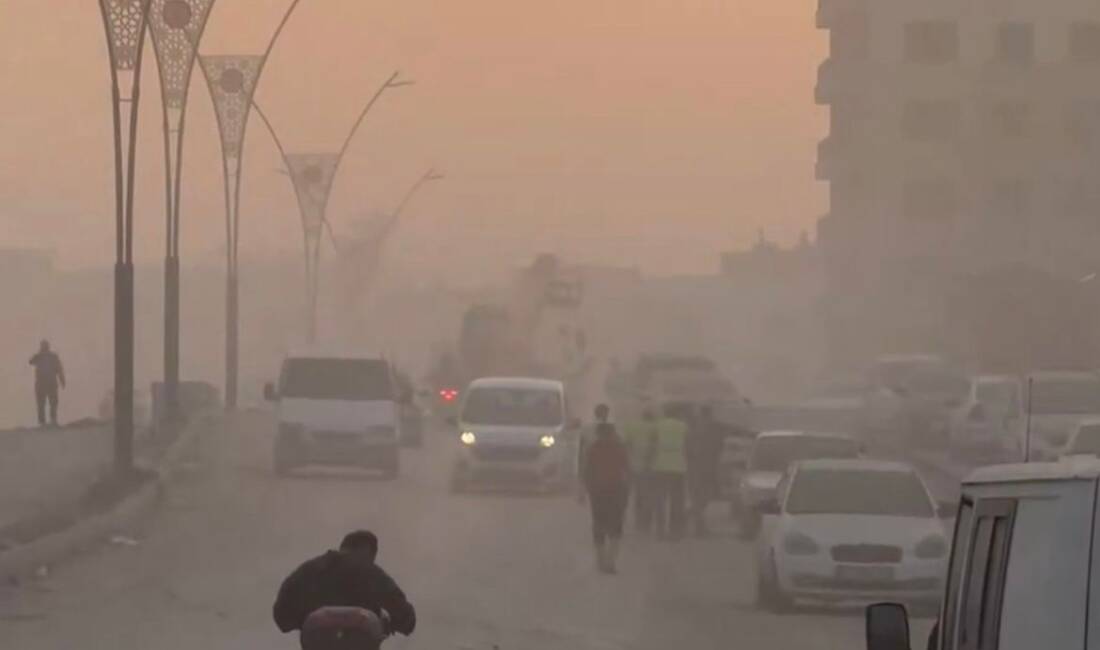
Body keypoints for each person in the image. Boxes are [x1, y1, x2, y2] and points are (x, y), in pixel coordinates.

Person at [273, 530, 416, 649]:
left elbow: (281, 615)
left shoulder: (309, 570)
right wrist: (395, 623)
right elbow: (406, 616)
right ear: (369, 551)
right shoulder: (370, 571)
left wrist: (303, 619)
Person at [583, 403, 630, 574]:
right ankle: (611, 561)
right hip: (616, 489)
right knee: (616, 526)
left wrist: (585, 489)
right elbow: (627, 469)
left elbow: (587, 469)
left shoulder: (593, 448)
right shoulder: (619, 447)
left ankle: (600, 560)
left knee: (599, 524)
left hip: (597, 491)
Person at [650, 402, 690, 541]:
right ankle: (676, 530)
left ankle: (660, 530)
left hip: (660, 465)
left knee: (660, 499)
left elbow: (653, 444)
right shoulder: (683, 426)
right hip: (679, 466)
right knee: (677, 500)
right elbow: (688, 445)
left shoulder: (658, 426)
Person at [686, 404, 725, 537]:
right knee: (703, 496)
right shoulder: (713, 428)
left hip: (695, 468)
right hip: (707, 467)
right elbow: (719, 445)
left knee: (699, 497)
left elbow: (687, 448)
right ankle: (699, 526)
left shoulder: (692, 428)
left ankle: (696, 520)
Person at [622, 406, 659, 534]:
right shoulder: (655, 428)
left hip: (633, 466)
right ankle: (646, 521)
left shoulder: (632, 427)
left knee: (638, 494)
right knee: (648, 494)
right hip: (650, 466)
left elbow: (626, 445)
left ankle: (639, 521)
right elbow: (655, 447)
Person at [28, 340, 65, 427]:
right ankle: (50, 421)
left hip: (42, 384)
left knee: (45, 403)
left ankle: (45, 422)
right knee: (50, 402)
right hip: (48, 383)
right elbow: (59, 370)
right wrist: (62, 381)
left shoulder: (41, 356)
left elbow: (30, 362)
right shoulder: (51, 356)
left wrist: (62, 380)